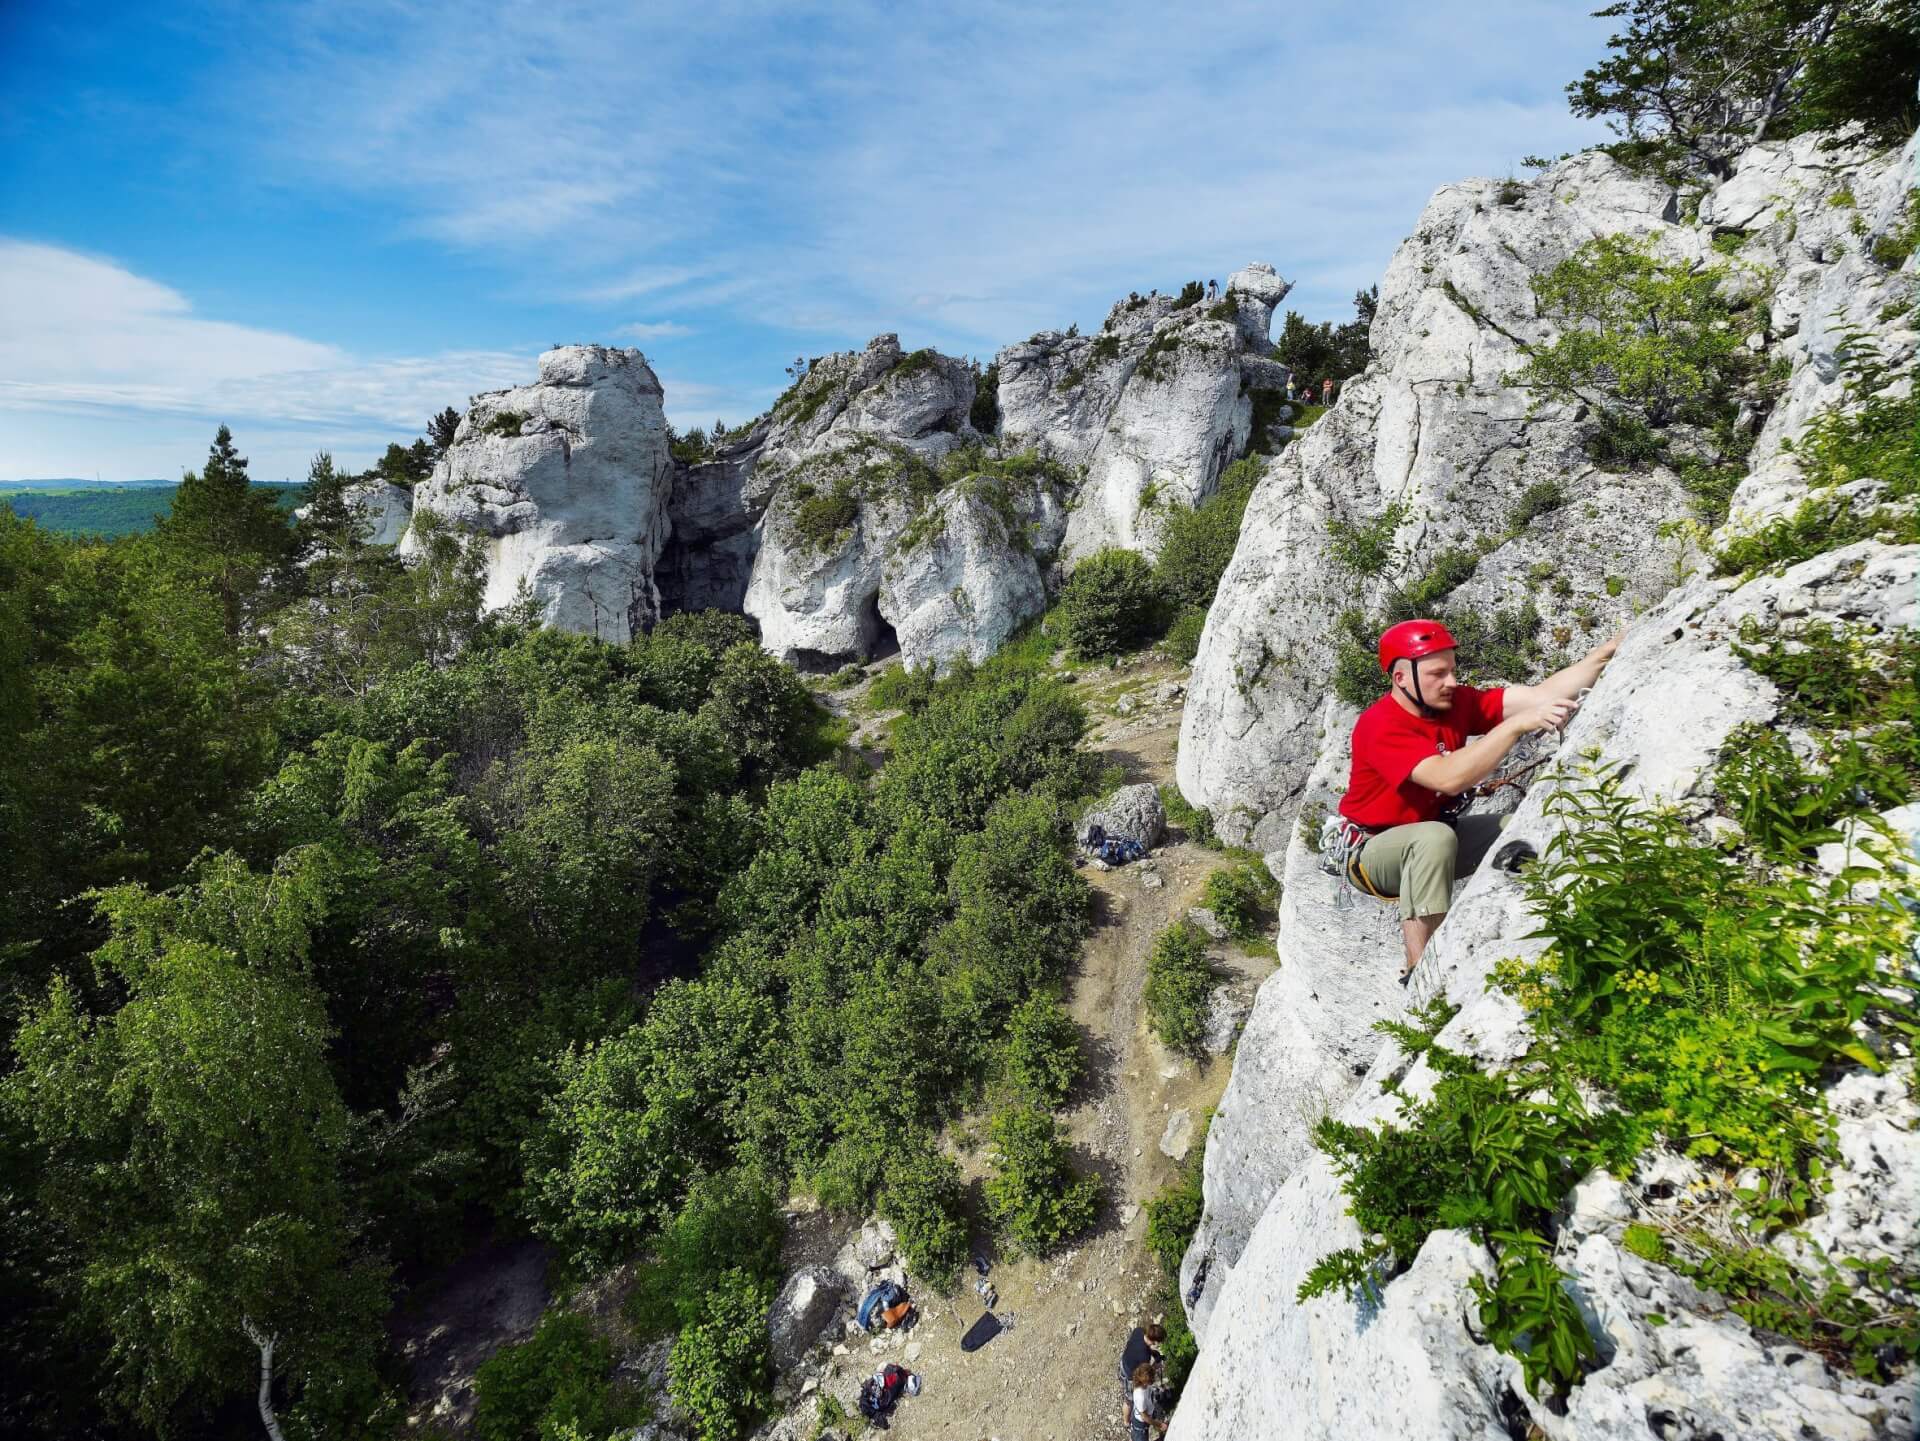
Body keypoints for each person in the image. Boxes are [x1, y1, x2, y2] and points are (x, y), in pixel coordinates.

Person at [1338, 619, 1621, 981]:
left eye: (1452, 671)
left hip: (1434, 837)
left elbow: (1538, 697)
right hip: (1374, 853)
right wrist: (1513, 726)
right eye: (1437, 674)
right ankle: (1421, 969)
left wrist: (1607, 652)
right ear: (1401, 679)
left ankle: (1557, 917)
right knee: (1432, 838)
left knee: (1524, 829)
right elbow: (1449, 777)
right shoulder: (1381, 725)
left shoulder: (1455, 704)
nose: (1451, 682)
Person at [1128, 1361, 1167, 1438]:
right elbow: (1145, 1417)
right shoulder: (1140, 1396)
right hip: (1140, 1425)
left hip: (1145, 1413)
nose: (1154, 1379)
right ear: (1146, 1382)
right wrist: (1160, 1425)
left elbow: (1149, 1370)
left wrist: (1157, 1365)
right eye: (1152, 1378)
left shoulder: (1143, 1382)